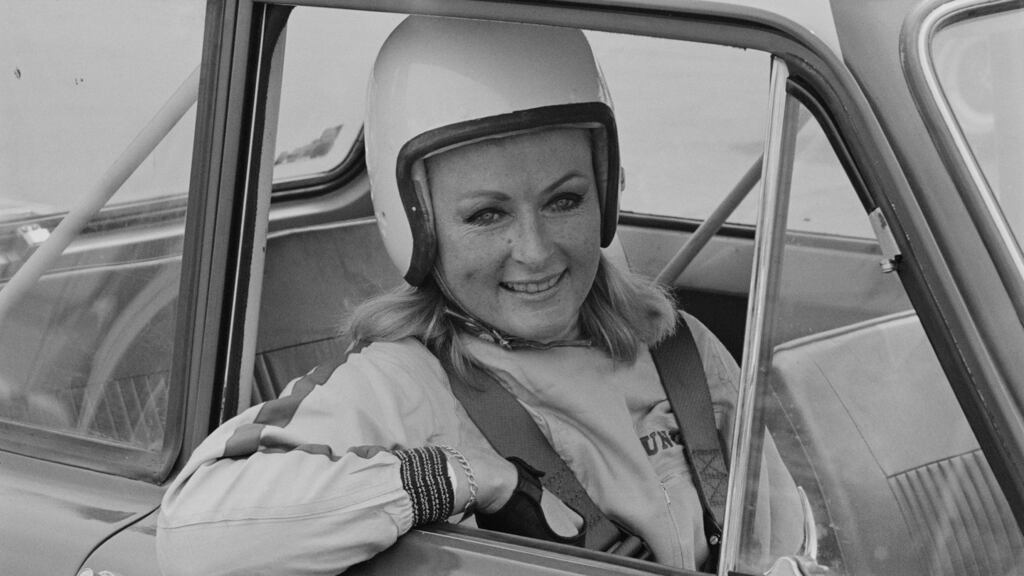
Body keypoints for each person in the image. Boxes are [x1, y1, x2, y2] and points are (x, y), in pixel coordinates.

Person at [157, 15, 802, 576]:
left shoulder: (681, 352)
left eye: (564, 200)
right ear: (419, 226)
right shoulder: (405, 383)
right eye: (487, 215)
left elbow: (781, 539)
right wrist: (455, 478)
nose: (536, 250)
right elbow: (196, 542)